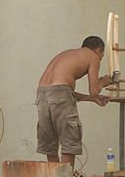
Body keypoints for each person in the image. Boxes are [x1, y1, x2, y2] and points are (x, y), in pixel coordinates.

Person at [36, 36, 115, 166]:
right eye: (102, 55)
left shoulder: (69, 54)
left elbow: (64, 93)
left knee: (50, 143)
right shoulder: (93, 56)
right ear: (98, 50)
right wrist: (103, 82)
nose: (101, 58)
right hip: (59, 92)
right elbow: (94, 90)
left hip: (42, 92)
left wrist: (93, 100)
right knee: (69, 141)